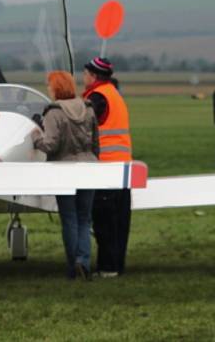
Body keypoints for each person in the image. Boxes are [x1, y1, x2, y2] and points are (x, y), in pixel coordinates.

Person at [32, 71, 99, 280]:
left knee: (69, 218)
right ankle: (84, 261)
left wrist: (36, 139)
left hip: (64, 170)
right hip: (88, 167)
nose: (48, 89)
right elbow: (96, 143)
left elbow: (50, 145)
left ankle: (73, 266)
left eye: (49, 85)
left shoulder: (54, 113)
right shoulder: (88, 109)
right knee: (84, 219)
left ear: (56, 88)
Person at [82, 57, 132, 278]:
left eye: (85, 74)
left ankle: (108, 268)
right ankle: (117, 265)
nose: (83, 78)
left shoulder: (98, 97)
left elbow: (83, 125)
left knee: (104, 222)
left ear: (93, 76)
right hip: (122, 166)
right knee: (120, 221)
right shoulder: (114, 94)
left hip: (105, 166)